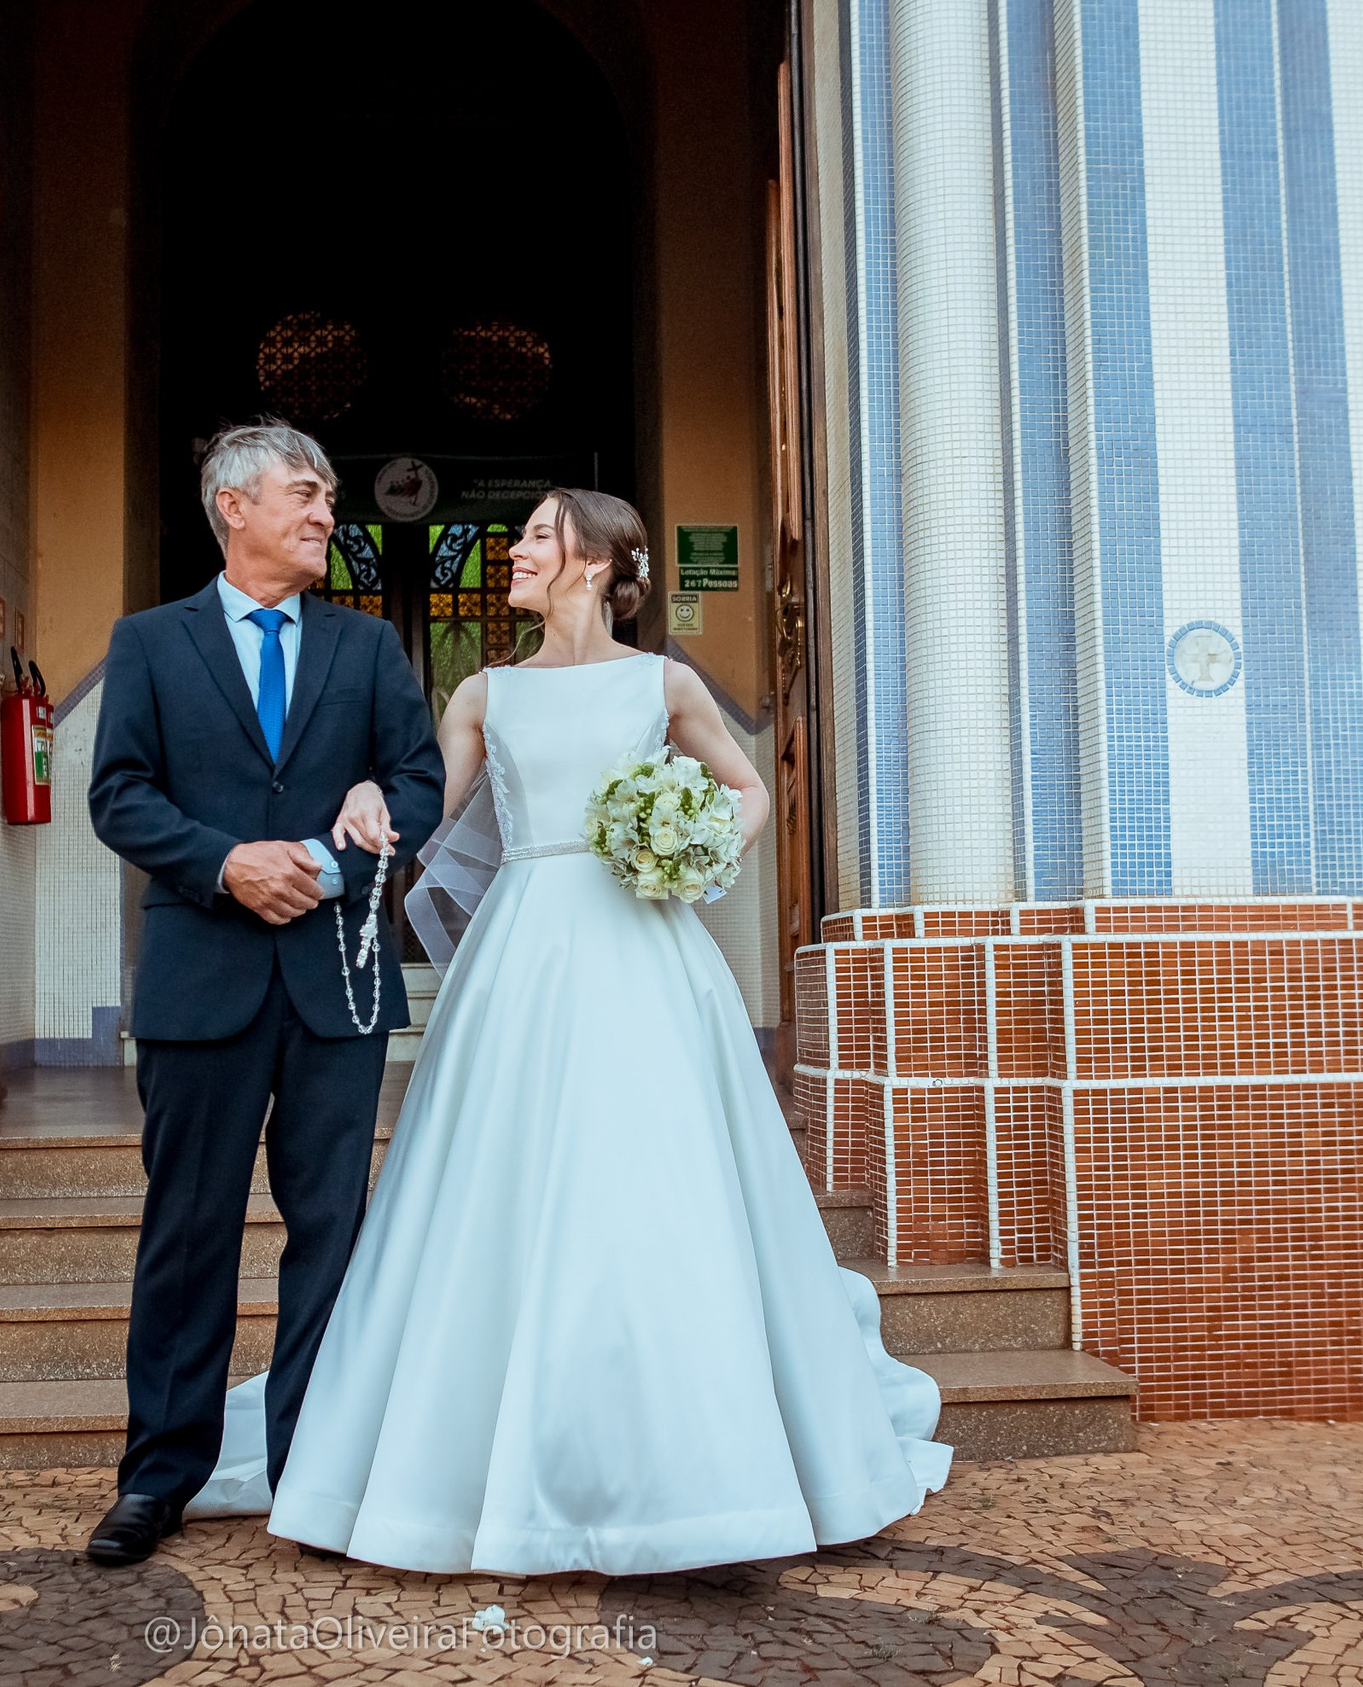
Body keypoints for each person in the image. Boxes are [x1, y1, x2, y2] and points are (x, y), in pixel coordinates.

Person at [184, 486, 954, 1575]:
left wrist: (690, 844)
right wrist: (360, 800)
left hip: (645, 946)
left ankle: (700, 1466)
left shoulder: (665, 681)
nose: (517, 551)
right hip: (524, 954)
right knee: (505, 1180)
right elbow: (423, 816)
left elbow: (745, 789)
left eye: (538, 535)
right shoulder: (484, 694)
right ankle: (484, 1467)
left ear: (593, 562)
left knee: (661, 1181)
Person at [82, 421, 445, 1568]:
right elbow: (120, 795)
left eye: (331, 495)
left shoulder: (370, 646)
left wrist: (339, 862)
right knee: (187, 1234)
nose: (327, 513)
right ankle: (158, 1477)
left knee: (329, 1232)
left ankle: (315, 1472)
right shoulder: (148, 642)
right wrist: (229, 861)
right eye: (305, 492)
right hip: (203, 979)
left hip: (336, 978)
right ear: (232, 505)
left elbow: (419, 781)